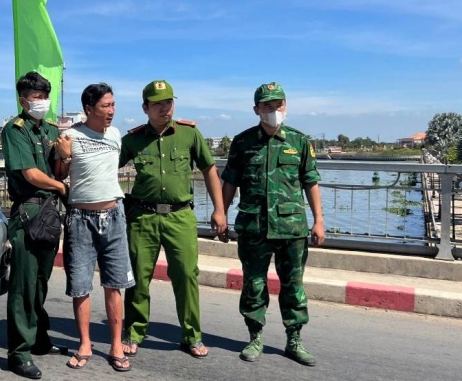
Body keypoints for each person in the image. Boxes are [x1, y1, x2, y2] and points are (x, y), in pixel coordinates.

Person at [119, 80, 227, 359]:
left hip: (180, 216)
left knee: (186, 276)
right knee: (139, 278)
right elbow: (106, 168)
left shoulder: (190, 134)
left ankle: (192, 335)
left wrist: (219, 209)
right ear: (145, 108)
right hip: (143, 216)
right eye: (158, 103)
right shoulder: (133, 140)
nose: (165, 107)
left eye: (168, 102)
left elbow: (209, 169)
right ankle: (134, 331)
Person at [219, 82, 325, 366]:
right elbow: (230, 181)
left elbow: (310, 182)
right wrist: (221, 213)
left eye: (279, 104)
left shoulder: (299, 141)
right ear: (256, 109)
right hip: (254, 226)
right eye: (267, 105)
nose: (274, 110)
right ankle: (255, 337)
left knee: (293, 285)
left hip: (292, 228)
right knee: (253, 284)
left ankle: (294, 339)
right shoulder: (242, 143)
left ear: (286, 106)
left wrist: (319, 221)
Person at [54, 83, 134, 372]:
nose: (112, 111)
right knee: (81, 286)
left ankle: (115, 344)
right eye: (106, 106)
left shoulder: (115, 135)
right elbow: (59, 175)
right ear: (89, 109)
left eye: (113, 105)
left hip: (113, 215)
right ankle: (84, 342)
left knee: (115, 284)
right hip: (80, 219)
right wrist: (64, 155)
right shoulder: (70, 136)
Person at [1, 71, 69, 380]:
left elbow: (58, 168)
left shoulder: (50, 129)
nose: (41, 102)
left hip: (49, 212)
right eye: (36, 98)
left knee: (41, 281)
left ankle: (40, 340)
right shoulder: (15, 130)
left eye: (44, 97)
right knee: (24, 285)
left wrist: (65, 158)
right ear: (23, 99)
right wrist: (60, 186)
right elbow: (30, 174)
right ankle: (19, 352)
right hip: (28, 210)